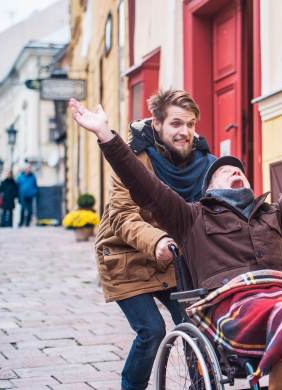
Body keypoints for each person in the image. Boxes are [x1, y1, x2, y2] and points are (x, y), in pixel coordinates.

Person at [70, 97, 282, 390]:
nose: (235, 172)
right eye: (225, 171)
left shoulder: (273, 214)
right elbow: (145, 186)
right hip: (234, 306)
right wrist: (105, 135)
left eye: (240, 171)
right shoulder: (191, 217)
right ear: (209, 188)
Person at [92, 88, 216, 390]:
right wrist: (157, 239)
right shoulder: (131, 159)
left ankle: (202, 386)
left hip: (172, 257)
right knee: (152, 331)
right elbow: (121, 216)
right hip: (126, 255)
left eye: (190, 124)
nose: (184, 132)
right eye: (176, 123)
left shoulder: (203, 163)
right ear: (157, 125)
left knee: (195, 324)